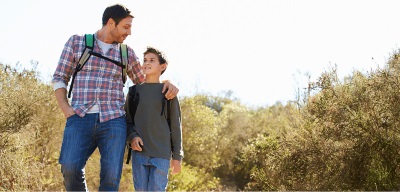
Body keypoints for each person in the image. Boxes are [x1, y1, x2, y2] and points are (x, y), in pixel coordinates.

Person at [52, 4, 179, 191]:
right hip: (79, 117)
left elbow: (146, 81)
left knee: (111, 179)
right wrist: (66, 109)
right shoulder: (77, 43)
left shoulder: (126, 53)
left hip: (114, 121)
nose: (129, 32)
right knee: (69, 168)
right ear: (111, 23)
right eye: (126, 27)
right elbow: (60, 77)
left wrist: (167, 82)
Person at [126, 46, 183, 191]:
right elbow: (127, 121)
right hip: (139, 154)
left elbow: (176, 126)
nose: (147, 63)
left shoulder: (168, 92)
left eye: (152, 60)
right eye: (145, 60)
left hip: (161, 155)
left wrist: (177, 156)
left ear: (162, 66)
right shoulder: (133, 92)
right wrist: (132, 136)